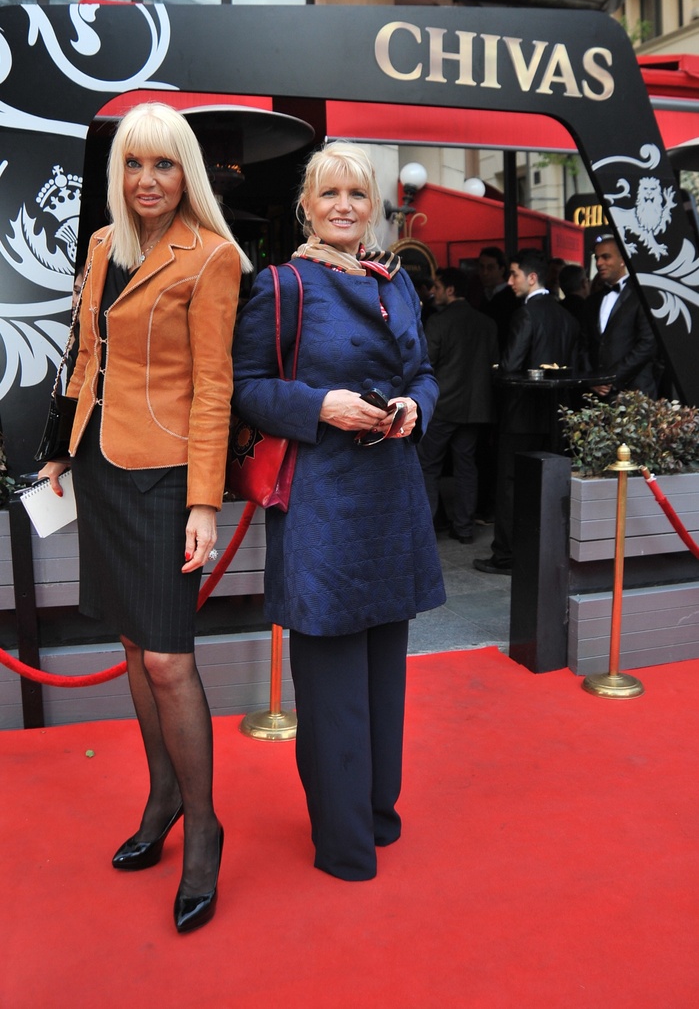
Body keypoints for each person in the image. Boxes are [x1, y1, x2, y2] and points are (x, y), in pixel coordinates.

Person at [39, 102, 251, 933]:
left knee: (167, 657)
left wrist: (204, 500)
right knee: (132, 644)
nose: (147, 180)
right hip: (101, 464)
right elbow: (83, 352)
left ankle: (204, 829)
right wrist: (59, 447)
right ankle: (162, 797)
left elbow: (214, 387)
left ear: (185, 171)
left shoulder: (214, 257)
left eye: (163, 164)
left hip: (165, 476)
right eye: (133, 164)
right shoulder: (103, 245)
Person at [232, 141, 445, 882]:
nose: (344, 206)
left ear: (374, 207)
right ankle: (344, 840)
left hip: (390, 494)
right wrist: (320, 405)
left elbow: (424, 372)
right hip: (321, 503)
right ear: (307, 207)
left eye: (357, 194)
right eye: (329, 193)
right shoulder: (282, 284)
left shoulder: (397, 283)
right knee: (329, 682)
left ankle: (379, 814)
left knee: (385, 675)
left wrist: (415, 406)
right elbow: (245, 385)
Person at [474, 247, 579, 575]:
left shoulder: (526, 314)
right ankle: (545, 554)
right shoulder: (566, 316)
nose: (510, 281)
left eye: (514, 274)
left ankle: (506, 556)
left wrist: (496, 370)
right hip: (556, 416)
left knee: (510, 486)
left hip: (520, 415)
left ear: (532, 278)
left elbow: (510, 366)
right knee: (549, 487)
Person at [418, 267, 498, 543]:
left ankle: (427, 530)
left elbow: (425, 364)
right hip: (475, 408)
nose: (433, 291)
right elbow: (494, 364)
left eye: (437, 287)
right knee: (466, 466)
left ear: (450, 290)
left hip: (442, 406)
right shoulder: (487, 323)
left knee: (429, 467)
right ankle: (464, 528)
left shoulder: (438, 322)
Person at [580, 233, 658, 399]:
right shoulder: (592, 301)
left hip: (635, 394)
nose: (599, 263)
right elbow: (584, 345)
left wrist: (610, 378)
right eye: (597, 258)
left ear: (623, 259)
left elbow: (647, 344)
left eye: (606, 257)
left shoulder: (642, 295)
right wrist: (591, 379)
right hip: (597, 396)